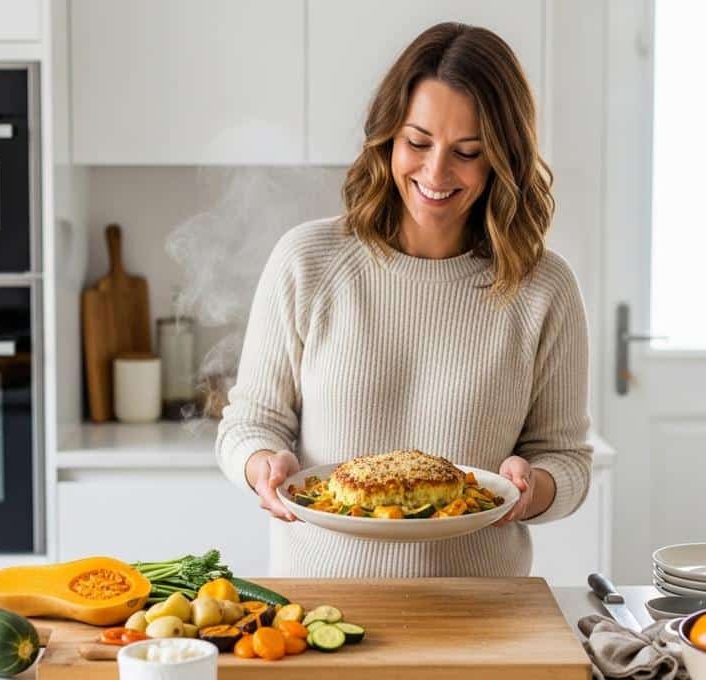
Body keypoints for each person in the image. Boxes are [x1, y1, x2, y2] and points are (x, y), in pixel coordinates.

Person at [216, 22, 592, 577]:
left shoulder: (544, 288)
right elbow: (248, 422)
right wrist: (262, 465)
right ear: (387, 135)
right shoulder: (307, 260)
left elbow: (568, 460)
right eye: (417, 143)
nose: (435, 173)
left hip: (481, 614)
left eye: (468, 152)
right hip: (323, 605)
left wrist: (532, 488)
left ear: (501, 160)